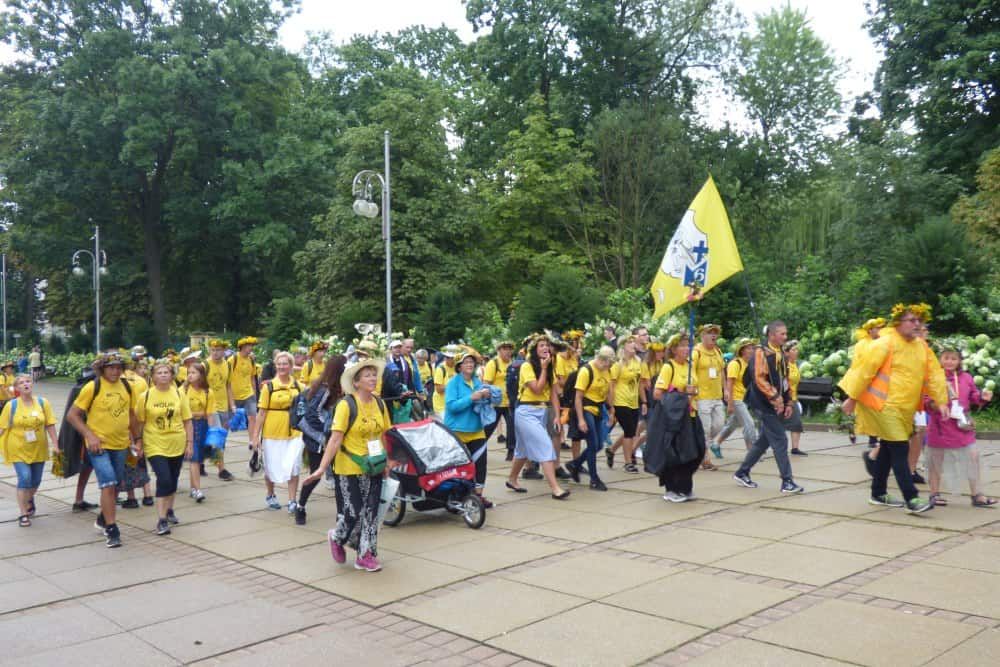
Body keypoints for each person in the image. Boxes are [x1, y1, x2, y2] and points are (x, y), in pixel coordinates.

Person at [839, 303, 947, 514]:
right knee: (900, 448)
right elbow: (863, 371)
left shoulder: (922, 347)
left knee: (888, 448)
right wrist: (852, 398)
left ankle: (878, 493)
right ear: (898, 323)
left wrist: (940, 400)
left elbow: (934, 374)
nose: (917, 325)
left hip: (905, 408)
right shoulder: (884, 344)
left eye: (919, 321)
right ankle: (911, 498)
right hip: (883, 405)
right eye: (912, 320)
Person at [303, 357, 391, 572]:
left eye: (374, 374)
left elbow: (385, 434)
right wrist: (321, 468)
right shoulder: (346, 405)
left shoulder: (380, 403)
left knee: (371, 514)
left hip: (374, 466)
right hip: (349, 468)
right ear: (356, 382)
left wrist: (388, 461)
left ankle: (365, 555)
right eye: (367, 375)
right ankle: (337, 537)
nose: (373, 378)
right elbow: (335, 440)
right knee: (353, 513)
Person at [66, 351, 139, 548]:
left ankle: (103, 517)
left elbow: (131, 415)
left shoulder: (127, 387)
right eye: (111, 367)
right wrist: (89, 435)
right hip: (98, 445)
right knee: (108, 483)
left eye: (118, 367)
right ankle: (112, 528)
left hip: (121, 444)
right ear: (102, 369)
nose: (115, 371)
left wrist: (138, 439)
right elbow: (72, 415)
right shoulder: (93, 387)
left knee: (115, 485)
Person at [732, 321, 805, 495]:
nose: (785, 337)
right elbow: (759, 378)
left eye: (786, 333)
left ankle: (742, 472)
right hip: (763, 403)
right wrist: (775, 397)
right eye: (782, 334)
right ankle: (787, 481)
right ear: (771, 335)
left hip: (776, 402)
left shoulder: (780, 351)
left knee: (764, 440)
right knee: (780, 440)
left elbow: (784, 379)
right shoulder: (760, 352)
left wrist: (788, 401)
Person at [924, 346, 995, 507]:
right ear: (940, 359)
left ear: (959, 361)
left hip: (961, 425)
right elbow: (925, 399)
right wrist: (937, 405)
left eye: (953, 358)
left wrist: (982, 397)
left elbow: (973, 396)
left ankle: (977, 495)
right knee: (935, 460)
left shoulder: (966, 377)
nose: (949, 362)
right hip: (940, 425)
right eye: (946, 358)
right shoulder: (933, 377)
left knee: (973, 457)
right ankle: (934, 494)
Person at [506, 334, 570, 500]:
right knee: (546, 446)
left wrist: (556, 416)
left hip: (542, 411)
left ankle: (512, 479)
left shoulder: (549, 367)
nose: (545, 348)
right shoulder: (527, 366)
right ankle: (555, 488)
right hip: (526, 412)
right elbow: (537, 389)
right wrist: (543, 369)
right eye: (541, 345)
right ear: (534, 350)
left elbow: (553, 394)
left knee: (522, 450)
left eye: (547, 345)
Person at [135, 359, 193, 535]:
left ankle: (169, 510)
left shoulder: (179, 394)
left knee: (173, 479)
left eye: (166, 372)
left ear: (172, 375)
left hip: (177, 442)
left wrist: (190, 443)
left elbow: (187, 421)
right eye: (159, 373)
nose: (163, 375)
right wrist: (138, 441)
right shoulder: (145, 397)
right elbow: (139, 422)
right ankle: (161, 520)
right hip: (155, 443)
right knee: (164, 479)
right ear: (153, 376)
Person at [651, 333, 705, 502]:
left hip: (691, 414)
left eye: (688, 345)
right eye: (682, 345)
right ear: (674, 349)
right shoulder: (669, 367)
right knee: (677, 453)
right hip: (675, 418)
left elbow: (696, 389)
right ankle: (672, 489)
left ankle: (685, 487)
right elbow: (657, 394)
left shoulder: (690, 366)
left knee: (697, 450)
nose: (686, 348)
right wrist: (681, 394)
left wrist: (693, 391)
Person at [295, 354, 347, 525]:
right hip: (318, 440)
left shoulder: (337, 386)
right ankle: (300, 506)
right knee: (315, 475)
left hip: (331, 439)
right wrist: (329, 430)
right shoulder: (325, 388)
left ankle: (341, 516)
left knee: (340, 478)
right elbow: (313, 414)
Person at [1, 374, 58, 527]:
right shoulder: (11, 405)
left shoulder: (43, 403)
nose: (25, 384)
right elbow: (2, 427)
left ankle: (27, 498)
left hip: (39, 448)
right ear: (16, 388)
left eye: (28, 381)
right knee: (25, 477)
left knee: (36, 480)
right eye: (21, 383)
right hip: (18, 448)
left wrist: (56, 444)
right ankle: (23, 513)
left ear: (32, 384)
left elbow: (50, 424)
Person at [252, 351, 305, 513]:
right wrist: (255, 436)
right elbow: (261, 413)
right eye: (279, 364)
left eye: (285, 363)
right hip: (272, 433)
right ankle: (271, 494)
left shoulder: (299, 386)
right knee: (270, 467)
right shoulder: (268, 387)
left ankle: (292, 501)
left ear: (291, 366)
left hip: (294, 433)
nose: (282, 367)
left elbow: (304, 409)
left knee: (294, 466)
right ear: (276, 366)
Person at [445, 350, 494, 507]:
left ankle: (478, 496)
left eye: (472, 362)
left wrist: (488, 396)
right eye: (466, 362)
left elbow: (483, 404)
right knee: (460, 467)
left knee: (481, 465)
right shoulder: (453, 383)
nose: (469, 365)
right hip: (457, 431)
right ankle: (460, 496)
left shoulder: (477, 382)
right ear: (459, 366)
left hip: (477, 430)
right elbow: (452, 406)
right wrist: (471, 398)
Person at [565, 346, 616, 491]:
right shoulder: (586, 371)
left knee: (599, 445)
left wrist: (611, 410)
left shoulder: (607, 370)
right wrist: (581, 419)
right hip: (586, 408)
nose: (608, 366)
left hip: (598, 408)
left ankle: (575, 464)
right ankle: (594, 479)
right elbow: (578, 397)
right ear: (601, 359)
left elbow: (608, 392)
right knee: (593, 444)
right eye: (607, 363)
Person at [711, 338, 758, 456]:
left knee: (732, 425)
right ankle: (752, 450)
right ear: (742, 350)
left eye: (752, 348)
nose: (751, 350)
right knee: (749, 424)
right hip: (736, 399)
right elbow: (730, 383)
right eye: (748, 348)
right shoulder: (735, 364)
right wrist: (730, 403)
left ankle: (716, 443)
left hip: (745, 399)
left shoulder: (750, 364)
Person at [605, 336, 645, 473]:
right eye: (630, 342)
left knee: (631, 431)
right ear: (623, 347)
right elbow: (611, 386)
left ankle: (611, 450)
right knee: (629, 432)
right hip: (620, 401)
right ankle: (628, 463)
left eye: (633, 342)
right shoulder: (618, 364)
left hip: (633, 401)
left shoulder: (638, 361)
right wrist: (611, 406)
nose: (633, 344)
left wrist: (644, 401)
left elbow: (640, 383)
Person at [183, 361, 220, 503]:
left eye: (193, 373)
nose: (190, 375)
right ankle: (197, 490)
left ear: (201, 375)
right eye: (189, 373)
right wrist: (197, 414)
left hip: (202, 426)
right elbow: (181, 412)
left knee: (197, 459)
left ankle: (193, 488)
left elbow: (209, 414)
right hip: (188, 425)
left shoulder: (208, 392)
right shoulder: (183, 390)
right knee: (194, 458)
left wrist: (211, 434)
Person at [692, 324, 726, 471]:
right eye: (710, 333)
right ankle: (705, 459)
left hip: (717, 396)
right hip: (702, 397)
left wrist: (726, 389)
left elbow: (722, 371)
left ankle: (698, 442)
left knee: (719, 424)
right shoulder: (696, 352)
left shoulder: (718, 351)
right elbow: (691, 372)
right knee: (705, 428)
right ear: (702, 336)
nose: (713, 335)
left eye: (715, 333)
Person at [205, 339, 235, 481]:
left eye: (218, 350)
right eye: (213, 350)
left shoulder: (227, 365)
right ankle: (221, 470)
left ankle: (201, 462)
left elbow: (228, 386)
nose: (215, 353)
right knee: (217, 438)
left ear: (224, 351)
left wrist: (232, 405)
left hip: (224, 406)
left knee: (221, 438)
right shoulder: (205, 365)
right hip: (210, 407)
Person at [483, 341, 515, 459]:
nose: (508, 351)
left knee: (512, 427)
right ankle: (478, 448)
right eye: (504, 349)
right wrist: (489, 399)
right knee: (488, 428)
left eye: (509, 349)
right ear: (499, 351)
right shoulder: (493, 363)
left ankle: (511, 451)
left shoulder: (513, 364)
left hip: (509, 402)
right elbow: (486, 383)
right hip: (495, 403)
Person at [229, 336, 260, 437]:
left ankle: (252, 441)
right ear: (242, 346)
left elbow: (252, 378)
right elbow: (227, 379)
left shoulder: (251, 360)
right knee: (229, 420)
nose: (251, 348)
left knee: (252, 417)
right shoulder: (232, 359)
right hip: (234, 394)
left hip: (249, 394)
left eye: (252, 345)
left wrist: (254, 394)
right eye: (249, 345)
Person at [784, 340, 806, 455]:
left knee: (796, 423)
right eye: (793, 350)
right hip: (783, 398)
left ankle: (795, 449)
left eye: (797, 349)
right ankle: (760, 447)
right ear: (787, 352)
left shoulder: (795, 364)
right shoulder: (784, 365)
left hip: (793, 398)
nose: (796, 351)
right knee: (773, 425)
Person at [432, 345, 458, 415]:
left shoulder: (457, 368)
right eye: (448, 357)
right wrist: (452, 384)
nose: (451, 359)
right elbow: (438, 389)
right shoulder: (440, 369)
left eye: (453, 357)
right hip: (441, 406)